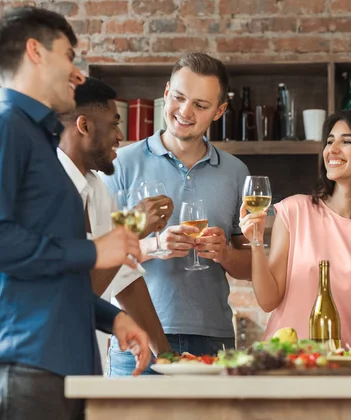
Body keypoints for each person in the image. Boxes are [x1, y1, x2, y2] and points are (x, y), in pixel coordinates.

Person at [0, 7, 150, 420]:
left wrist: (113, 319)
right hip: (25, 367)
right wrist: (94, 252)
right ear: (35, 52)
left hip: (58, 370)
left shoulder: (37, 143)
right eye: (69, 56)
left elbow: (47, 273)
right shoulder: (0, 128)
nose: (77, 74)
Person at [101, 52, 252, 376]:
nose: (185, 112)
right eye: (180, 98)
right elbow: (99, 256)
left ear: (219, 111)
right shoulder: (120, 164)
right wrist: (155, 247)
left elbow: (251, 267)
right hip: (136, 336)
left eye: (200, 105)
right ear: (166, 92)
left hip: (213, 339)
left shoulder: (236, 172)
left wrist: (224, 253)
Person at [238, 109, 351, 348]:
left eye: (346, 142)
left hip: (350, 367)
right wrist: (257, 241)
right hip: (288, 362)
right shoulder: (295, 210)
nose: (332, 149)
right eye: (330, 141)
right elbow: (268, 301)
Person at [57, 77, 175, 367]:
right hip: (43, 363)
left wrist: (168, 357)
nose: (120, 135)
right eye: (113, 123)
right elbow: (73, 295)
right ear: (83, 126)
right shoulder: (47, 188)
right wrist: (132, 228)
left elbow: (125, 279)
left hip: (87, 361)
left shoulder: (97, 188)